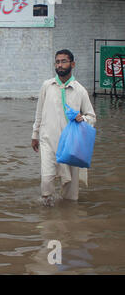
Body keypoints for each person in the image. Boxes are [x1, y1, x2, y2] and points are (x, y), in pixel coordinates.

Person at [31, 49, 96, 206]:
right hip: (48, 140)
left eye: (63, 61)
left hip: (71, 144)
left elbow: (92, 117)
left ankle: (68, 219)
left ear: (72, 64)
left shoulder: (79, 90)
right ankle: (47, 214)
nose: (60, 65)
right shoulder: (47, 85)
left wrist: (83, 119)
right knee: (46, 180)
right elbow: (39, 112)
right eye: (57, 62)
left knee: (70, 192)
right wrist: (35, 134)